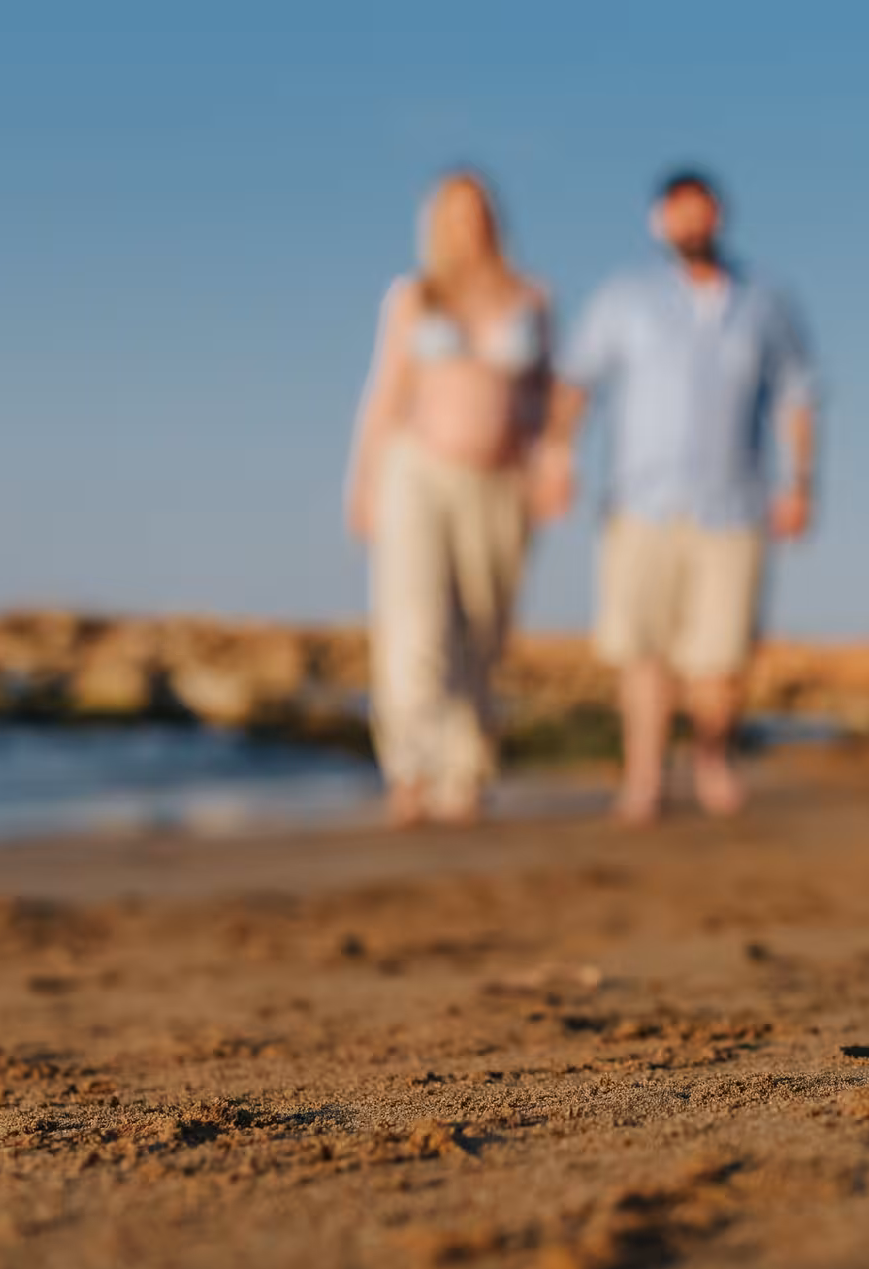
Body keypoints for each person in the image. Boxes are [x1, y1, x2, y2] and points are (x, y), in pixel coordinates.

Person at [531, 168, 819, 824]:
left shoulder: (767, 302)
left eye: (704, 211)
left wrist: (800, 483)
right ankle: (643, 777)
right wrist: (556, 456)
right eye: (679, 213)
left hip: (735, 505)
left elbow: (797, 396)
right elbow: (576, 381)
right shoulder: (623, 298)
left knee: (722, 658)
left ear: (720, 216)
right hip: (641, 504)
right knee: (642, 649)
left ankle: (712, 757)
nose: (693, 224)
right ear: (660, 221)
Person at [346, 170, 552, 828]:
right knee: (413, 624)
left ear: (495, 218)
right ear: (438, 223)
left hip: (499, 482)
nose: (469, 224)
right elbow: (385, 390)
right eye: (455, 213)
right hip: (417, 471)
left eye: (479, 211)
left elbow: (545, 402)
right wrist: (364, 479)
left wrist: (548, 467)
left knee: (483, 630)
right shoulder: (414, 297)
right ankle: (409, 770)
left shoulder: (532, 299)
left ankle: (465, 773)